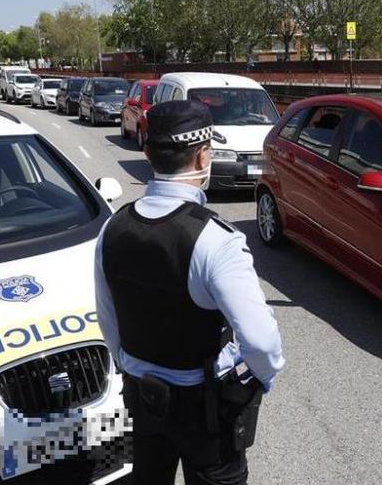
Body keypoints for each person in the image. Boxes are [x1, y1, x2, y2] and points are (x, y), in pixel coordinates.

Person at [95, 100, 285, 484]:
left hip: (142, 401)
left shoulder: (112, 229)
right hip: (205, 411)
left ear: (147, 153)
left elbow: (108, 319)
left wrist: (132, 366)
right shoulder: (217, 240)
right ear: (203, 156)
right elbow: (262, 344)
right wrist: (259, 380)